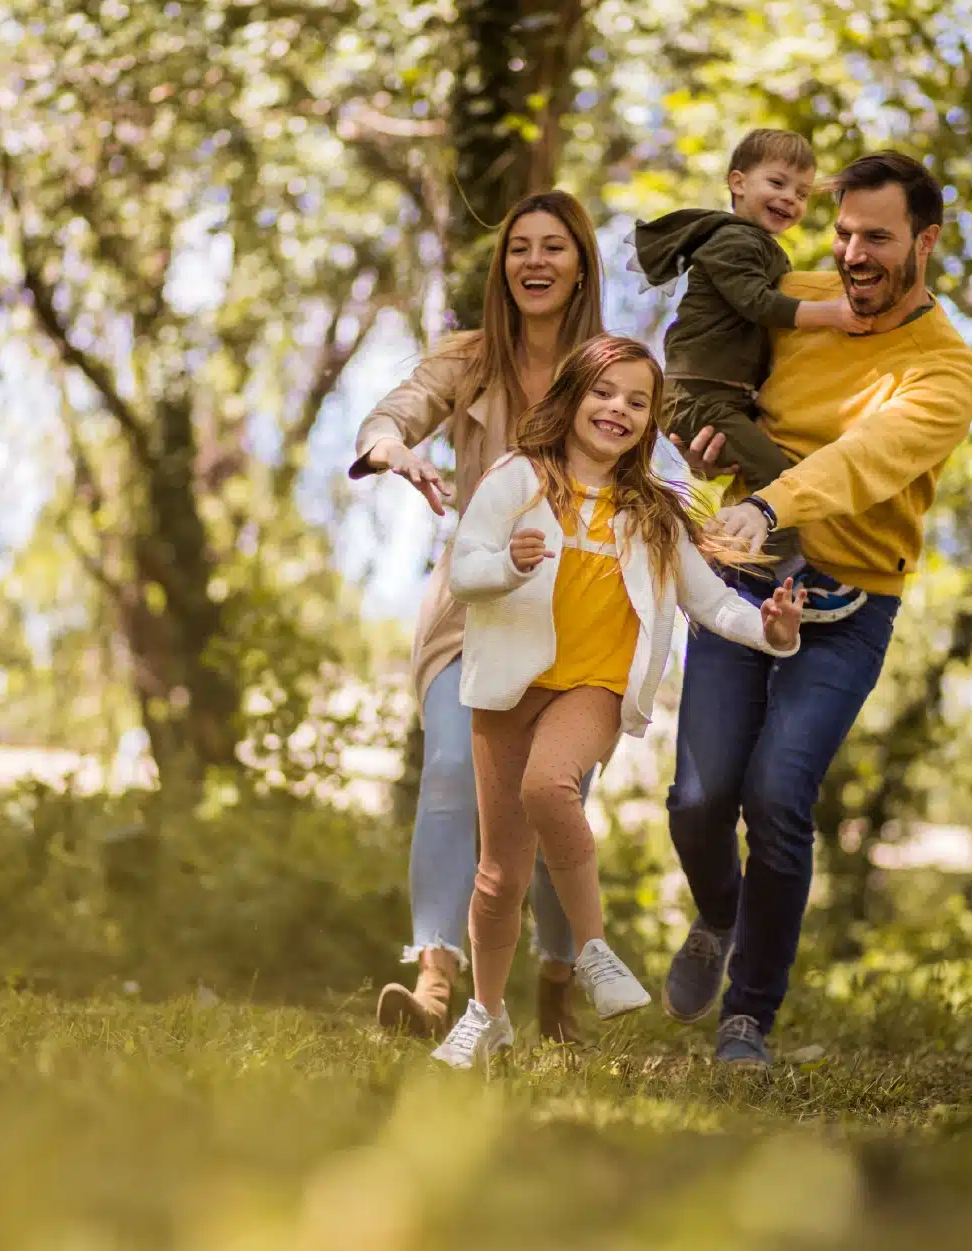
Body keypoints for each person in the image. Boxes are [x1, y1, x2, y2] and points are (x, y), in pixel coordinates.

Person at [659, 152, 972, 1067]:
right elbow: (701, 362)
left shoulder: (946, 371)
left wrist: (769, 502)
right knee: (696, 800)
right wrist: (702, 426)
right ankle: (719, 914)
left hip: (850, 602)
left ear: (926, 241)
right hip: (744, 577)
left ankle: (747, 1017)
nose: (852, 255)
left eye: (876, 237)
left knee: (777, 795)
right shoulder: (797, 297)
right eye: (843, 233)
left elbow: (865, 459)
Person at [430, 334, 804, 1069]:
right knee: (498, 874)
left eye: (638, 402)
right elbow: (465, 567)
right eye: (605, 393)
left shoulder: (656, 513)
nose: (618, 410)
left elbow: (711, 601)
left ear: (649, 422)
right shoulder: (518, 479)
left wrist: (769, 630)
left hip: (593, 688)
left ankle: (594, 950)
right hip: (509, 685)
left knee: (549, 785)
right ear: (573, 395)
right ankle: (486, 1013)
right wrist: (507, 564)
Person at [347, 190, 605, 1045]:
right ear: (504, 269)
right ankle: (433, 986)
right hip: (475, 603)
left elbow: (665, 461)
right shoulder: (467, 359)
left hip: (577, 615)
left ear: (580, 266)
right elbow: (392, 411)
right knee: (455, 768)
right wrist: (392, 446)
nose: (533, 262)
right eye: (519, 248)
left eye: (553, 248)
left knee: (552, 794)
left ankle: (557, 980)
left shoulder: (610, 370)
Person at [630, 128, 874, 624]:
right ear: (737, 182)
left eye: (802, 194)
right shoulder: (734, 240)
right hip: (698, 396)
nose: (790, 199)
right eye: (778, 183)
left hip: (718, 397)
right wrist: (834, 313)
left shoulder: (757, 244)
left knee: (760, 473)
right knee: (777, 477)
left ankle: (731, 563)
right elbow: (757, 304)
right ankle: (789, 576)